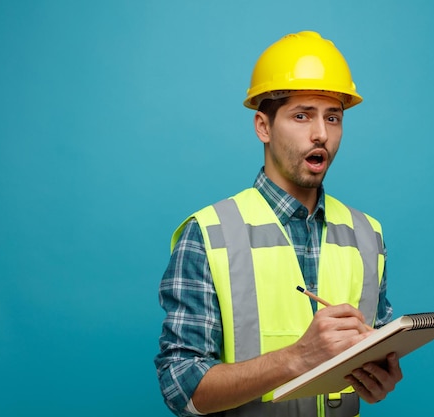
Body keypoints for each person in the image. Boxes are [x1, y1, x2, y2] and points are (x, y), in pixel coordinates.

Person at [155, 31, 402, 417]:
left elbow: (375, 349)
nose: (321, 133)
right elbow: (182, 388)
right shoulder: (207, 234)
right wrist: (297, 358)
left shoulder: (368, 235)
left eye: (333, 117)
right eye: (302, 115)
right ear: (263, 127)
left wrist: (377, 377)